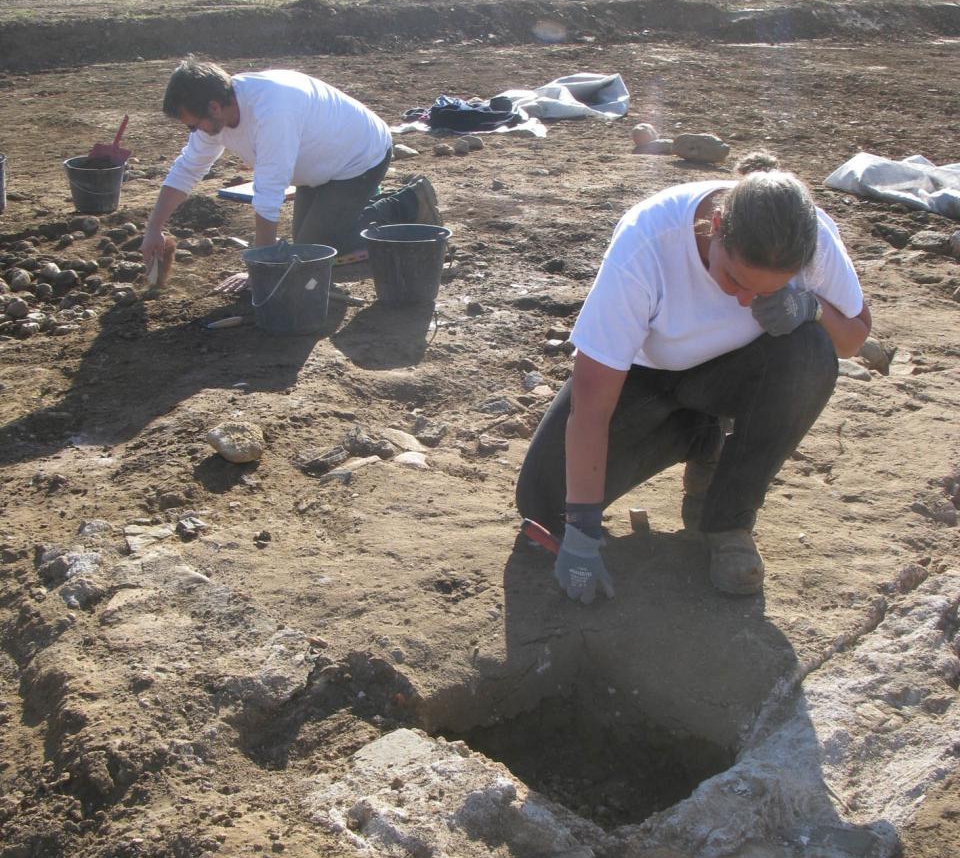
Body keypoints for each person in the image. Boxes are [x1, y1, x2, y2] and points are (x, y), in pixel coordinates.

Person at [515, 167, 871, 601]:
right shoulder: (647, 243)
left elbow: (853, 338)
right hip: (646, 377)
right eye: (736, 280)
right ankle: (703, 441)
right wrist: (583, 532)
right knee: (544, 502)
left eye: (764, 292)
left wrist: (809, 305)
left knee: (811, 352)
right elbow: (591, 405)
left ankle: (727, 522)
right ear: (716, 227)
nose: (744, 300)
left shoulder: (812, 238)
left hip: (734, 376)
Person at [140, 58, 440, 286]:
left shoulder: (272, 111)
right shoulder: (216, 117)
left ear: (215, 106)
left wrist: (260, 270)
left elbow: (268, 193)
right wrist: (154, 229)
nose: (193, 132)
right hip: (316, 168)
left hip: (358, 159)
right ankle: (353, 210)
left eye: (194, 124)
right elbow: (186, 170)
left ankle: (409, 204)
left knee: (311, 254)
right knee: (304, 244)